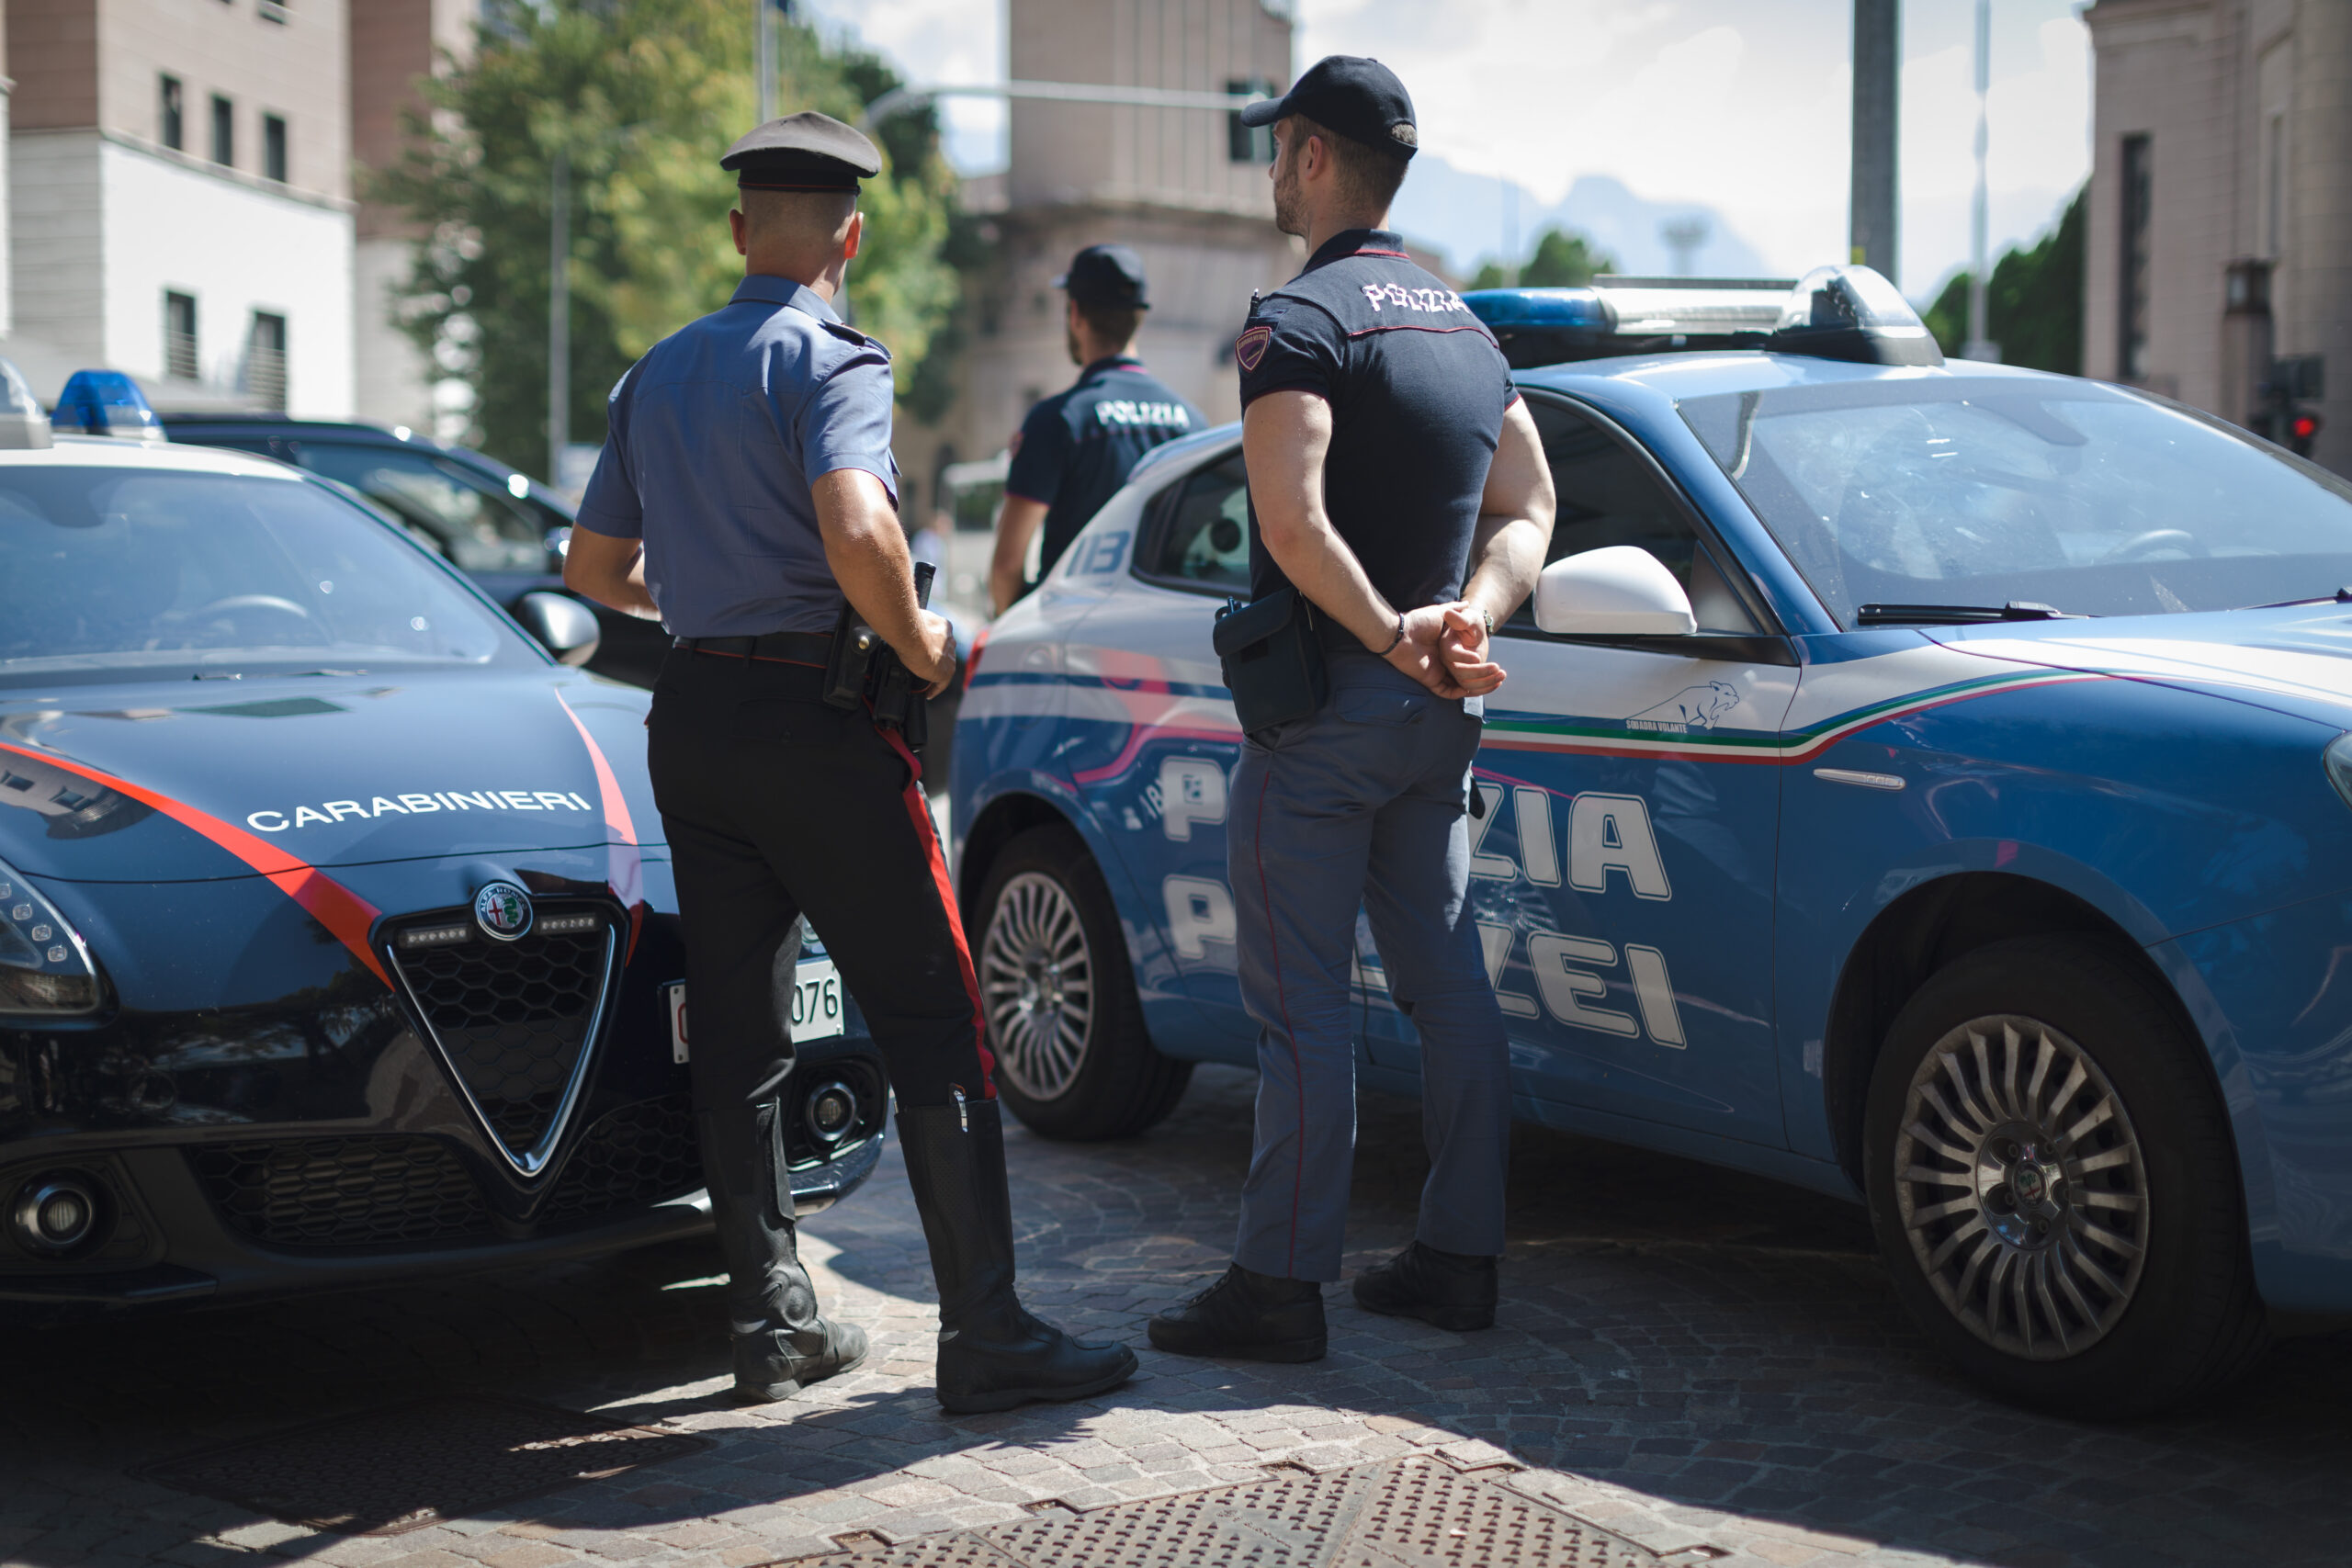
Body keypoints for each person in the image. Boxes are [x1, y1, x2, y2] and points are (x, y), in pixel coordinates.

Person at [564, 111, 1136, 1414]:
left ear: (735, 229)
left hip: (694, 719)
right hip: (822, 725)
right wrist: (926, 643)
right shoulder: (833, 354)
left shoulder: (654, 371)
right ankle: (987, 1333)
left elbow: (592, 574)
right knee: (935, 1013)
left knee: (742, 1031)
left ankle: (772, 1326)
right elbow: (856, 520)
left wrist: (708, 603)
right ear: (851, 238)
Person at [1146, 58, 1557, 1361]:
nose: (1270, 171)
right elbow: (1532, 507)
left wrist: (1386, 633)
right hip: (1441, 711)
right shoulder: (1464, 327)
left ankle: (1278, 1285)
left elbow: (1290, 517)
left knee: (1302, 1006)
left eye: (1279, 150)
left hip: (1331, 711)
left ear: (1317, 158)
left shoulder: (1300, 321)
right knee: (1450, 988)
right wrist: (1468, 617)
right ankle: (1456, 1257)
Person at [989, 244, 1202, 615]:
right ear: (1140, 317)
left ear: (1074, 313)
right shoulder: (1192, 424)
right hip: (1161, 633)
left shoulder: (1057, 420)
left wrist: (1016, 624)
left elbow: (1007, 566)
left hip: (1073, 638)